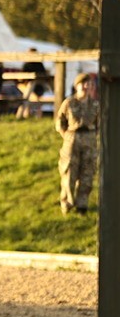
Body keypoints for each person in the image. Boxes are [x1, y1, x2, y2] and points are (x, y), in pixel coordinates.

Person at [55, 72, 99, 214]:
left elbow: (98, 124)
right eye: (83, 84)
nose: (86, 87)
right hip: (72, 139)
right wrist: (67, 136)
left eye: (89, 84)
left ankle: (82, 205)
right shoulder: (69, 103)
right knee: (69, 172)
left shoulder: (95, 104)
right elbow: (60, 122)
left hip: (89, 140)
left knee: (87, 172)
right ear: (77, 86)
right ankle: (67, 203)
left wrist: (92, 136)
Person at [16, 47, 49, 119]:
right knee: (30, 96)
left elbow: (43, 76)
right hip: (27, 86)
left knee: (28, 97)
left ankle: (23, 115)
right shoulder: (27, 64)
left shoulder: (38, 64)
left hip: (36, 86)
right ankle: (29, 115)